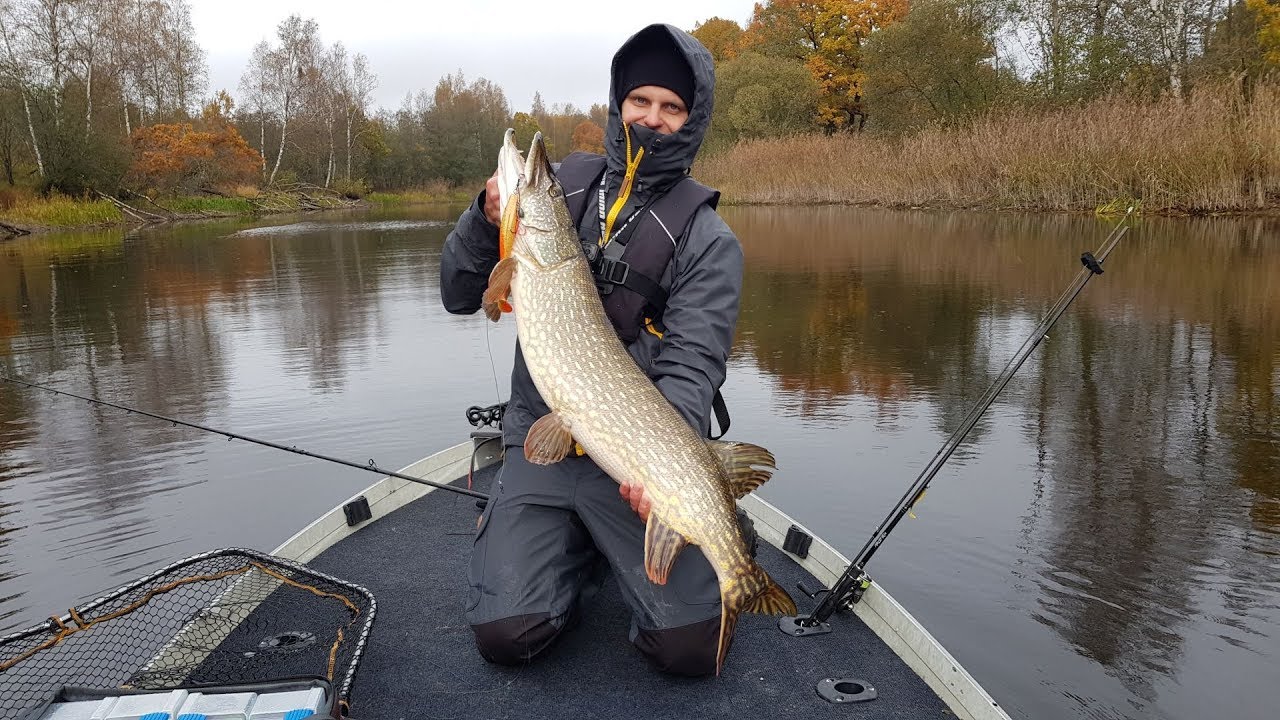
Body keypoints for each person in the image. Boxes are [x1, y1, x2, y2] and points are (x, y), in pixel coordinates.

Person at [439, 23, 747, 677]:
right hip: (540, 443)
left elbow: (692, 369)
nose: (652, 119)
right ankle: (572, 551)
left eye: (671, 107)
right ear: (619, 102)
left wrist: (665, 472)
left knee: (690, 649)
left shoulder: (709, 241)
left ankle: (630, 540)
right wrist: (484, 219)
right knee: (506, 635)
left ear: (692, 121)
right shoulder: (564, 192)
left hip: (629, 457)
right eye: (641, 101)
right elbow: (460, 294)